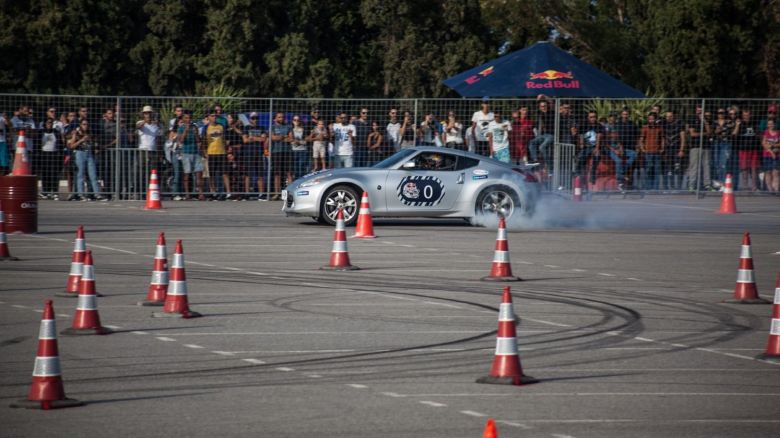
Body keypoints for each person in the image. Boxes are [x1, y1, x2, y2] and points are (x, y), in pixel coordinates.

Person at [68, 119, 104, 201]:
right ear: (80, 125)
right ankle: (80, 194)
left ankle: (97, 194)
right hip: (80, 153)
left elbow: (94, 143)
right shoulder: (76, 133)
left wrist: (95, 146)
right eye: (84, 124)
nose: (85, 126)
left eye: (87, 124)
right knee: (80, 175)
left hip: (89, 153)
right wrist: (81, 140)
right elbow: (72, 146)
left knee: (93, 175)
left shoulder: (89, 133)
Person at [203, 108, 232, 200]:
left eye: (215, 116)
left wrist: (227, 148)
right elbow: (203, 142)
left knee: (225, 173)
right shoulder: (206, 128)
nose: (214, 117)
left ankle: (228, 192)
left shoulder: (221, 126)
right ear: (208, 117)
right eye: (212, 116)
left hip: (221, 152)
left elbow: (226, 139)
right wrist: (205, 153)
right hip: (211, 153)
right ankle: (213, 192)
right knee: (212, 174)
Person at [176, 110, 205, 200]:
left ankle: (200, 193)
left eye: (189, 118)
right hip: (186, 153)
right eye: (186, 118)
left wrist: (196, 134)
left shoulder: (194, 127)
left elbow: (198, 140)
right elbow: (181, 141)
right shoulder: (181, 128)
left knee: (199, 173)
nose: (188, 120)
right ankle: (187, 193)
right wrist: (186, 130)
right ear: (183, 119)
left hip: (196, 152)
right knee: (187, 174)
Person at [135, 105, 162, 194]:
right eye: (146, 113)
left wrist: (159, 153)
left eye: (149, 113)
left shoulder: (156, 125)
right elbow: (138, 126)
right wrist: (145, 121)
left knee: (153, 171)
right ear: (143, 114)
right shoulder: (140, 122)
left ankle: (151, 190)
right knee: (141, 171)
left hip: (153, 151)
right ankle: (140, 191)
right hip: (143, 150)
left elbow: (158, 138)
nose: (148, 115)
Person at [685, 106, 713, 191]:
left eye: (701, 111)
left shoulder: (707, 120)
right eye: (698, 110)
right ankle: (692, 185)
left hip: (706, 146)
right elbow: (693, 134)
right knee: (694, 166)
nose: (699, 112)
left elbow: (710, 132)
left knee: (707, 166)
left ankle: (707, 185)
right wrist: (705, 133)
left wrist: (704, 121)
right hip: (695, 146)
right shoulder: (692, 119)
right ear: (696, 110)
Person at [242, 112, 267, 200]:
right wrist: (258, 138)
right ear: (250, 119)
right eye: (253, 118)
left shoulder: (261, 128)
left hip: (259, 153)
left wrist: (252, 138)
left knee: (260, 174)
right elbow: (245, 140)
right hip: (249, 153)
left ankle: (261, 194)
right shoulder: (246, 128)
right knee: (248, 174)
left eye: (256, 118)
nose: (255, 120)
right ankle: (247, 193)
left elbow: (263, 139)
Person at [735, 109, 761, 191]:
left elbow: (759, 135)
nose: (746, 117)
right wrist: (737, 125)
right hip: (743, 149)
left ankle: (754, 186)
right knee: (744, 168)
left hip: (754, 148)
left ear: (750, 115)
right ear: (742, 116)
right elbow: (734, 134)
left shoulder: (754, 123)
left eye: (747, 115)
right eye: (744, 115)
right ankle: (745, 185)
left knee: (754, 167)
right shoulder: (740, 124)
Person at [576, 111, 605, 185]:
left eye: (594, 117)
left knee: (597, 156)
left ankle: (592, 174)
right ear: (588, 118)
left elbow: (599, 137)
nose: (593, 118)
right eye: (591, 117)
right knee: (580, 157)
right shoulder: (584, 125)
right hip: (586, 147)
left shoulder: (599, 126)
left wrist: (597, 148)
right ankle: (577, 174)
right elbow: (581, 135)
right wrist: (581, 144)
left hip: (595, 146)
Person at [661, 110, 686, 191]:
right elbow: (663, 138)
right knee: (669, 169)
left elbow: (683, 137)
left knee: (678, 168)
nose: (668, 118)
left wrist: (681, 150)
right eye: (667, 116)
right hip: (668, 150)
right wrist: (663, 149)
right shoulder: (664, 124)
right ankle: (670, 186)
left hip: (677, 149)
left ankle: (678, 187)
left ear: (674, 116)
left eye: (670, 116)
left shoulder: (679, 123)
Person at [639, 113, 665, 190]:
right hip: (648, 152)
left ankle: (655, 188)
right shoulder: (645, 128)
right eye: (649, 119)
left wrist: (662, 148)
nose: (651, 120)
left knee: (657, 170)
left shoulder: (659, 128)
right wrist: (642, 149)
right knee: (648, 169)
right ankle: (648, 187)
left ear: (655, 119)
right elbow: (641, 139)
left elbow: (662, 139)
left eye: (652, 119)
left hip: (657, 152)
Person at [712, 108, 736, 188]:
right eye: (719, 112)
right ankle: (718, 182)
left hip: (726, 143)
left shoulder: (729, 122)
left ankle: (723, 183)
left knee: (723, 163)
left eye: (722, 112)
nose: (721, 114)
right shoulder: (714, 122)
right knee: (716, 163)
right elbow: (711, 133)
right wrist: (716, 131)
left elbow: (733, 133)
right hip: (716, 143)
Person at [270, 112, 292, 199]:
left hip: (287, 152)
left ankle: (289, 194)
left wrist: (279, 137)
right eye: (279, 117)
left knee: (288, 173)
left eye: (282, 117)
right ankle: (277, 193)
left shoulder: (288, 126)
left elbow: (291, 139)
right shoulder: (272, 127)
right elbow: (273, 137)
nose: (281, 118)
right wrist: (283, 137)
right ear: (275, 118)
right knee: (277, 173)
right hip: (276, 152)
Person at [39, 118, 62, 199]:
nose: (50, 124)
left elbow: (60, 143)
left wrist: (60, 155)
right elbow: (37, 143)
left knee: (54, 174)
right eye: (48, 123)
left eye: (51, 123)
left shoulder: (56, 132)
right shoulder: (41, 132)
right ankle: (46, 192)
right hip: (44, 154)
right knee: (45, 174)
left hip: (54, 154)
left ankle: (55, 192)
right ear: (45, 124)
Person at [527, 97, 555, 165]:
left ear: (548, 106)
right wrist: (538, 100)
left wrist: (544, 96)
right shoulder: (540, 113)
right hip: (543, 135)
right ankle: (535, 160)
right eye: (542, 106)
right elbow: (534, 106)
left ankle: (549, 164)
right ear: (539, 107)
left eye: (545, 106)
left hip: (551, 135)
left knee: (542, 147)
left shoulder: (552, 112)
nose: (543, 108)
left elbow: (552, 102)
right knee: (531, 142)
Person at [762, 119, 779, 193]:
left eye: (772, 123)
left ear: (774, 124)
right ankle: (770, 190)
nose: (770, 125)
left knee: (776, 172)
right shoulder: (766, 132)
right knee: (768, 172)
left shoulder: (778, 132)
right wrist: (772, 152)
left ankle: (776, 189)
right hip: (767, 155)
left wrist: (772, 145)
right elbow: (764, 144)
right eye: (769, 124)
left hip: (778, 155)